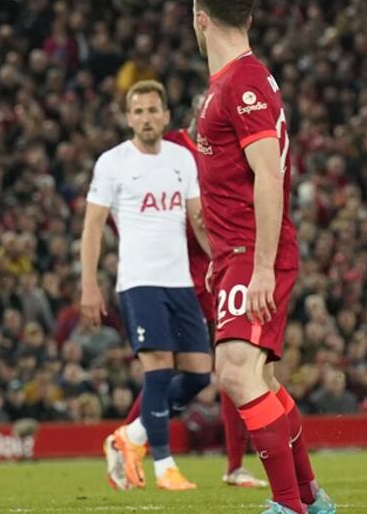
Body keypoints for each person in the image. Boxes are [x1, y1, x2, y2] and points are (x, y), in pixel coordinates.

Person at [189, 0, 336, 514]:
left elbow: (268, 177)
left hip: (254, 252)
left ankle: (288, 505)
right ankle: (310, 499)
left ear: (200, 19)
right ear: (248, 18)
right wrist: (220, 255)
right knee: (262, 378)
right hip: (237, 253)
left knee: (235, 371)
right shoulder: (231, 83)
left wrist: (261, 268)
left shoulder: (242, 84)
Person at [112, 94, 267, 489]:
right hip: (173, 274)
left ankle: (234, 465)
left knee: (235, 362)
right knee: (165, 367)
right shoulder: (171, 149)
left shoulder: (233, 153)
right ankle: (129, 441)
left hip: (217, 270)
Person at [81, 80, 214, 491]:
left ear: (166, 115)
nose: (146, 118)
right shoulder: (113, 163)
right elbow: (93, 226)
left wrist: (219, 260)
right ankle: (164, 466)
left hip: (180, 282)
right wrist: (89, 283)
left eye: (153, 110)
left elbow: (198, 221)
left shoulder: (182, 159)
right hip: (140, 281)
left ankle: (131, 435)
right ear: (128, 119)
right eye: (138, 111)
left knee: (200, 375)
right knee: (158, 370)